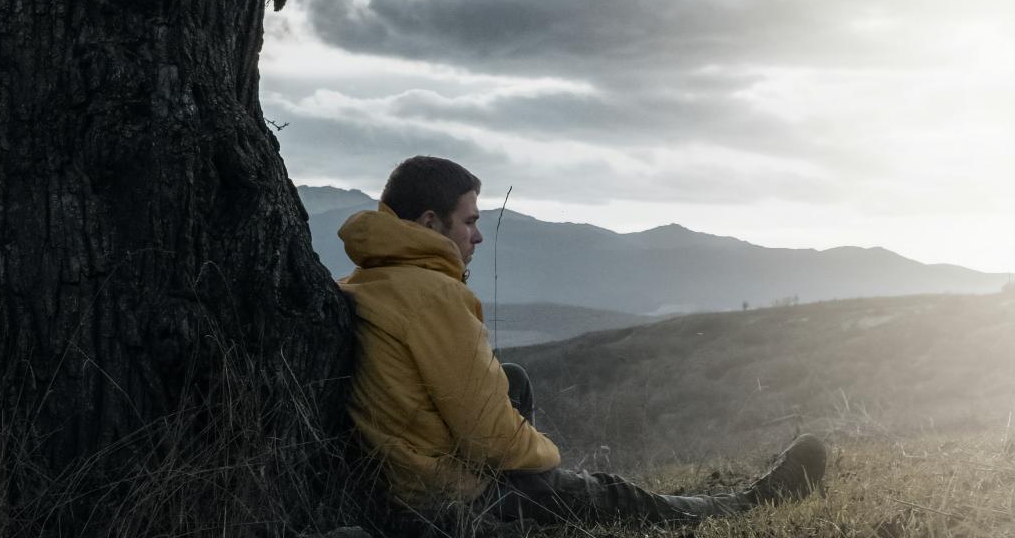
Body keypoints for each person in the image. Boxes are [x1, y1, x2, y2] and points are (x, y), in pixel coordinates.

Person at [337, 155, 825, 525]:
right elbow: (486, 434)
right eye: (470, 221)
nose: (478, 237)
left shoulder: (367, 277)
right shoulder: (432, 295)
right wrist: (548, 465)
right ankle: (742, 504)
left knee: (512, 379)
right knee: (607, 494)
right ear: (428, 223)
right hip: (443, 503)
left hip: (400, 482)